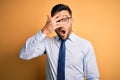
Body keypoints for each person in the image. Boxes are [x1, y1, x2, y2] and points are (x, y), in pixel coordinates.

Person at [19, 4, 100, 80]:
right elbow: (23, 55)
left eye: (65, 20)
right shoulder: (47, 43)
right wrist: (44, 31)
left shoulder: (85, 45)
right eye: (57, 21)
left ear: (71, 21)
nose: (61, 25)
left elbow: (93, 77)